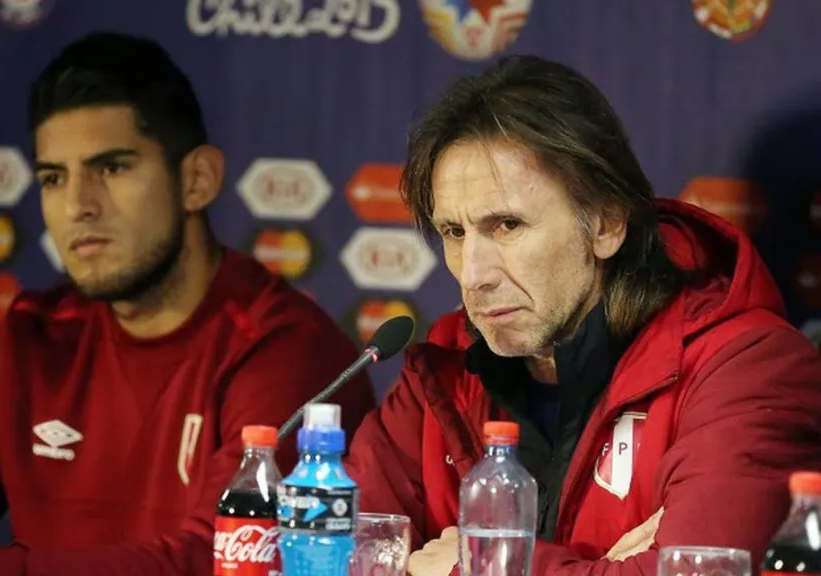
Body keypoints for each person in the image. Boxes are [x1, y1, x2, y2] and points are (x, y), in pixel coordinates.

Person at [0, 32, 377, 576]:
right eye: (53, 178)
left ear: (197, 180)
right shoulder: (30, 338)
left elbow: (215, 562)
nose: (78, 205)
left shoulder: (286, 352)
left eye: (111, 168)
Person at [343, 55, 821, 576]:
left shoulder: (748, 369)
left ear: (607, 223)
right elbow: (333, 555)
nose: (473, 274)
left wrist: (477, 568)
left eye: (506, 225)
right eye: (455, 233)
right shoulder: (444, 371)